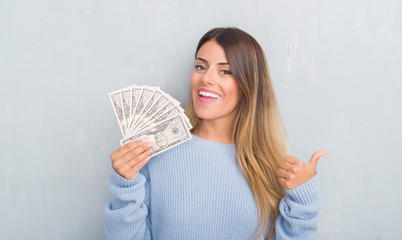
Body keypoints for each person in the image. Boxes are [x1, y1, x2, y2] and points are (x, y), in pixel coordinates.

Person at [104, 27, 329, 240]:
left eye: (225, 71)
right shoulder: (153, 152)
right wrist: (125, 185)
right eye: (201, 66)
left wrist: (303, 200)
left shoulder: (270, 167)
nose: (206, 78)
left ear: (248, 86)